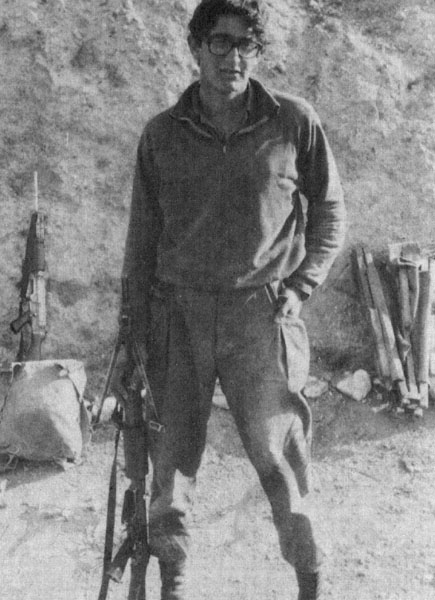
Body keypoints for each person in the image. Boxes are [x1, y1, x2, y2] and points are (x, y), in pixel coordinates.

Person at [121, 1, 346, 598]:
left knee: (282, 460)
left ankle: (311, 582)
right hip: (179, 317)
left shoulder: (293, 121)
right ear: (195, 47)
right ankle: (173, 581)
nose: (234, 57)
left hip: (261, 317)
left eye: (247, 44)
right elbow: (141, 244)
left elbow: (330, 211)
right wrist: (131, 338)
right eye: (220, 42)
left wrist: (301, 285)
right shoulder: (162, 135)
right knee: (170, 468)